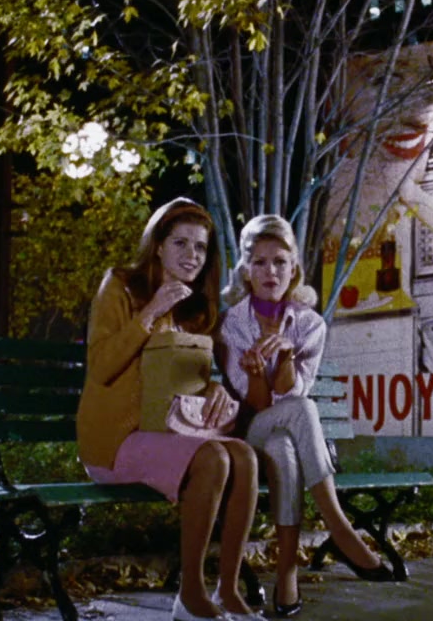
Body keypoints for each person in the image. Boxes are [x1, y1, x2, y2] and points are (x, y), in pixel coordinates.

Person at [78, 198, 260, 621]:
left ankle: (229, 590)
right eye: (180, 243)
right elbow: (101, 368)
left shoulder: (194, 309)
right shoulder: (120, 286)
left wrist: (214, 387)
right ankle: (190, 596)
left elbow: (182, 378)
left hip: (168, 436)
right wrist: (151, 310)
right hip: (115, 441)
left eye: (200, 247)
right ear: (157, 246)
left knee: (244, 456)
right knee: (214, 457)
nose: (191, 255)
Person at [217, 215, 396, 618]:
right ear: (246, 271)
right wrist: (255, 372)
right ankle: (339, 527)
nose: (270, 271)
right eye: (260, 262)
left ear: (294, 269)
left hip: (285, 437)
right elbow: (257, 406)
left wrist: (284, 357)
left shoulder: (310, 325)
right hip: (247, 438)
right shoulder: (233, 325)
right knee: (302, 411)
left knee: (285, 447)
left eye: (280, 262)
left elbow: (292, 395)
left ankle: (287, 574)